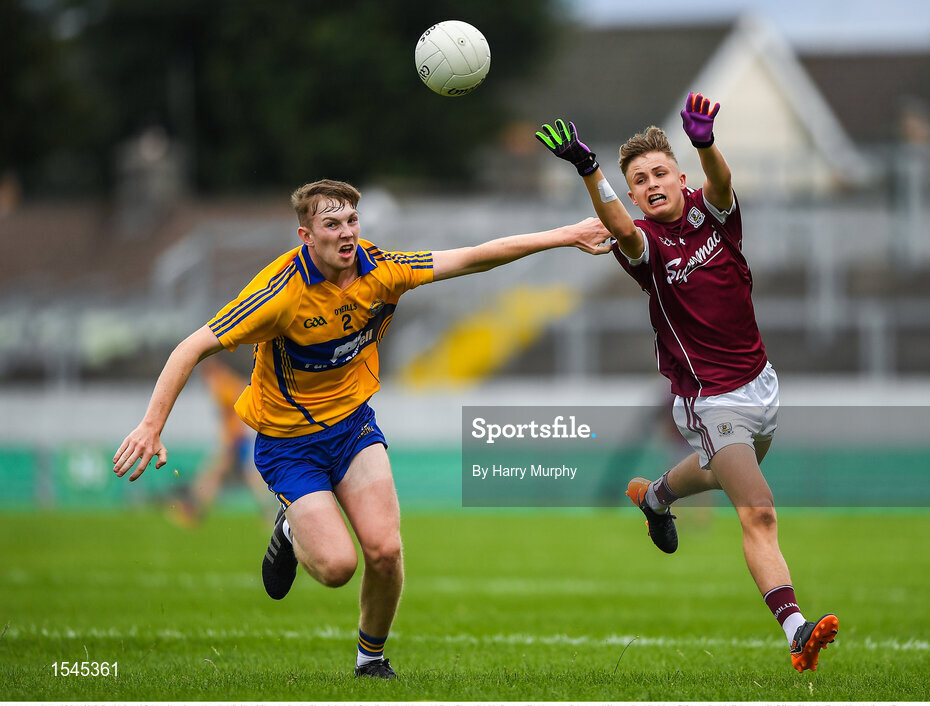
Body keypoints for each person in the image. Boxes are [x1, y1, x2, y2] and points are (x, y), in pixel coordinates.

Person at [113, 179, 611, 679]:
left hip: (352, 428)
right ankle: (289, 527)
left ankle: (370, 661)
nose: (347, 232)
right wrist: (152, 425)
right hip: (289, 447)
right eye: (332, 224)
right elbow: (191, 347)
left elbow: (475, 257)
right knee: (336, 568)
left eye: (352, 220)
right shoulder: (280, 293)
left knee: (386, 550)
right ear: (306, 236)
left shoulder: (383, 270)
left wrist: (566, 234)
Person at [536, 93, 838, 673]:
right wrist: (587, 166)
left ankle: (655, 496)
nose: (650, 184)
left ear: (679, 177)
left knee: (718, 469)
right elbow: (618, 225)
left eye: (658, 173)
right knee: (759, 508)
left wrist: (706, 144)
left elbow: (722, 185)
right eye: (638, 180)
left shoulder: (712, 208)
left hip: (760, 385)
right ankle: (797, 630)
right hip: (709, 398)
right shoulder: (643, 243)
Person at [167, 356, 273, 528]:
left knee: (215, 475)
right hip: (236, 438)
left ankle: (192, 512)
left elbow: (235, 405)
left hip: (234, 439)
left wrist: (232, 436)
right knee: (233, 477)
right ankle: (269, 515)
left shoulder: (221, 383)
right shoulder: (225, 381)